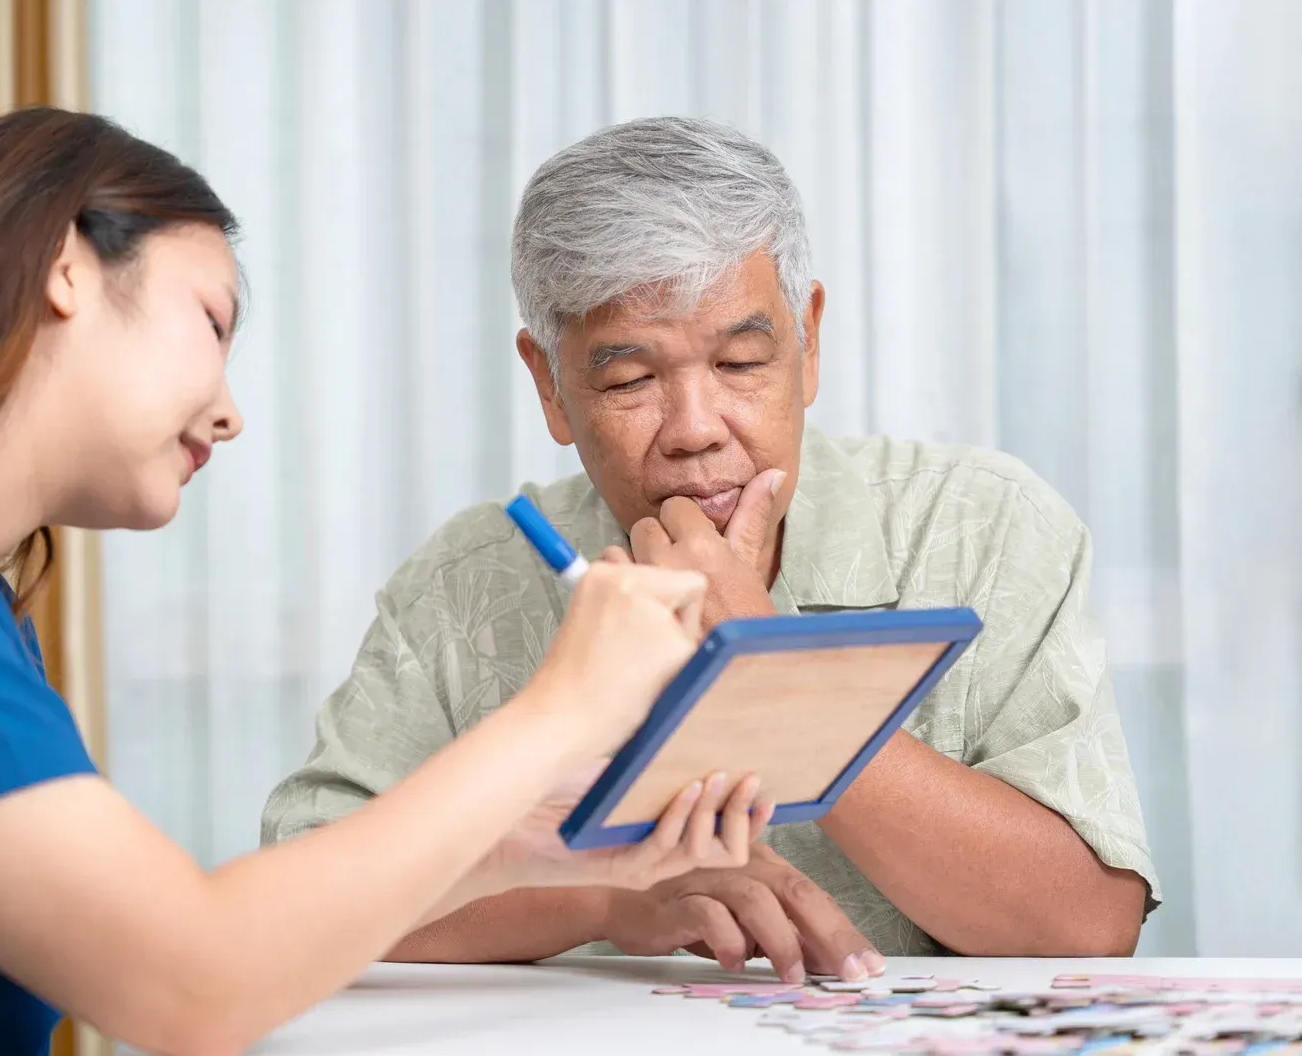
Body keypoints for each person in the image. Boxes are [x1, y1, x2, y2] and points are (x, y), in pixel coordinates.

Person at [0, 107, 768, 1056]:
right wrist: (564, 701)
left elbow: (186, 936)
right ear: (63, 266)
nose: (229, 410)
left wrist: (522, 852)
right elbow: (188, 982)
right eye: (211, 323)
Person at [263, 117, 1160, 978]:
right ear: (549, 384)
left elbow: (1086, 922)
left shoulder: (984, 524)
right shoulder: (467, 583)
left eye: (739, 365)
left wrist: (770, 669)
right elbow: (294, 905)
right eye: (631, 378)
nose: (696, 430)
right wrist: (603, 890)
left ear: (808, 342)